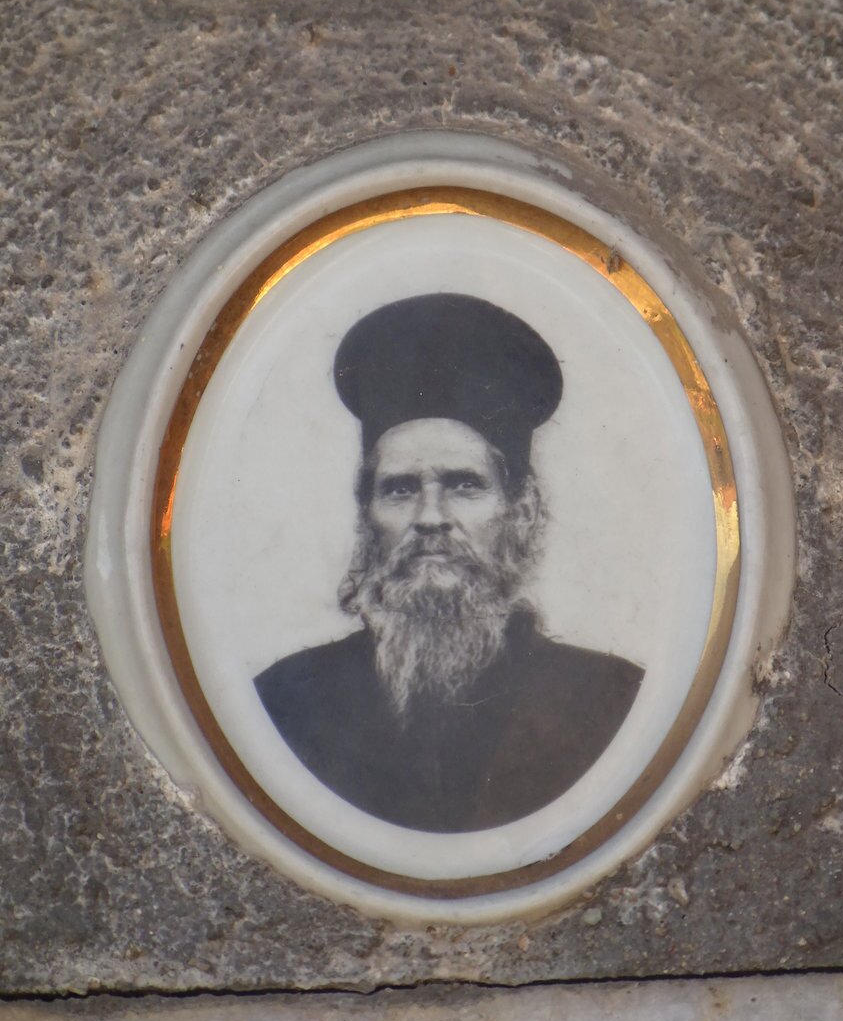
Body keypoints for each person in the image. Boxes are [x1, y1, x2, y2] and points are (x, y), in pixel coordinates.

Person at [255, 293, 643, 833]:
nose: (430, 517)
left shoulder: (606, 698)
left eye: (463, 485)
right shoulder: (290, 700)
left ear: (521, 510)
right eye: (400, 489)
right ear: (367, 516)